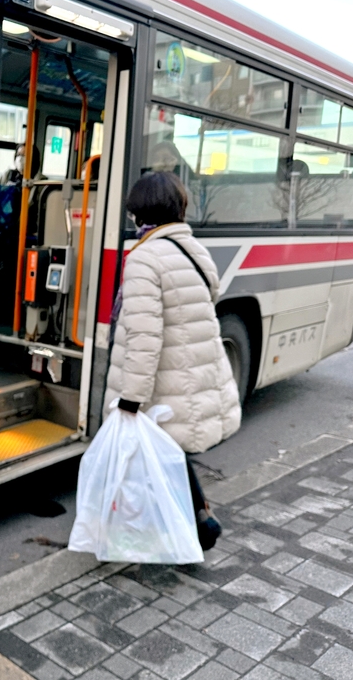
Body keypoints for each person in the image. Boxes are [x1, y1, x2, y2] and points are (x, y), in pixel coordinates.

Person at [103, 171, 241, 548]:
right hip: (192, 374)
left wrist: (130, 399)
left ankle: (160, 533)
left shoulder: (146, 258)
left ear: (140, 213)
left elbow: (144, 338)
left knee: (148, 457)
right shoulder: (193, 249)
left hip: (165, 381)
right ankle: (198, 521)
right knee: (168, 452)